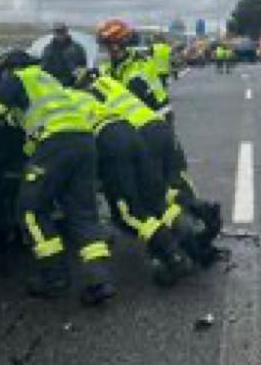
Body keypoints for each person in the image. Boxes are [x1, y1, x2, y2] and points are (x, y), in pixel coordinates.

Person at [0, 50, 115, 305]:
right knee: (83, 214)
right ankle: (100, 281)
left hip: (56, 144)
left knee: (30, 210)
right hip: (85, 143)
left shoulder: (17, 77)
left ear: (9, 68)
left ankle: (55, 278)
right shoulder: (47, 80)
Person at [95, 19, 222, 259]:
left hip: (149, 131)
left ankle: (180, 240)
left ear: (124, 44)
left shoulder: (138, 69)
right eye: (107, 46)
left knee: (157, 188)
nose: (110, 51)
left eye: (114, 45)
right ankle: (198, 215)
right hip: (153, 129)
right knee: (169, 184)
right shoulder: (114, 69)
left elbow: (134, 100)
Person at [67, 77, 193, 285]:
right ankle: (190, 237)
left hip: (111, 144)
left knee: (128, 213)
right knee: (155, 201)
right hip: (133, 133)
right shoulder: (91, 93)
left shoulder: (60, 102)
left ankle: (174, 256)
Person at [39, 22, 88, 87]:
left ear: (66, 31)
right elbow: (44, 69)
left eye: (62, 31)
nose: (60, 34)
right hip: (54, 85)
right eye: (57, 32)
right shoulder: (48, 50)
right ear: (54, 33)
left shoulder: (77, 48)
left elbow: (83, 65)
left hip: (74, 85)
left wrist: (78, 73)